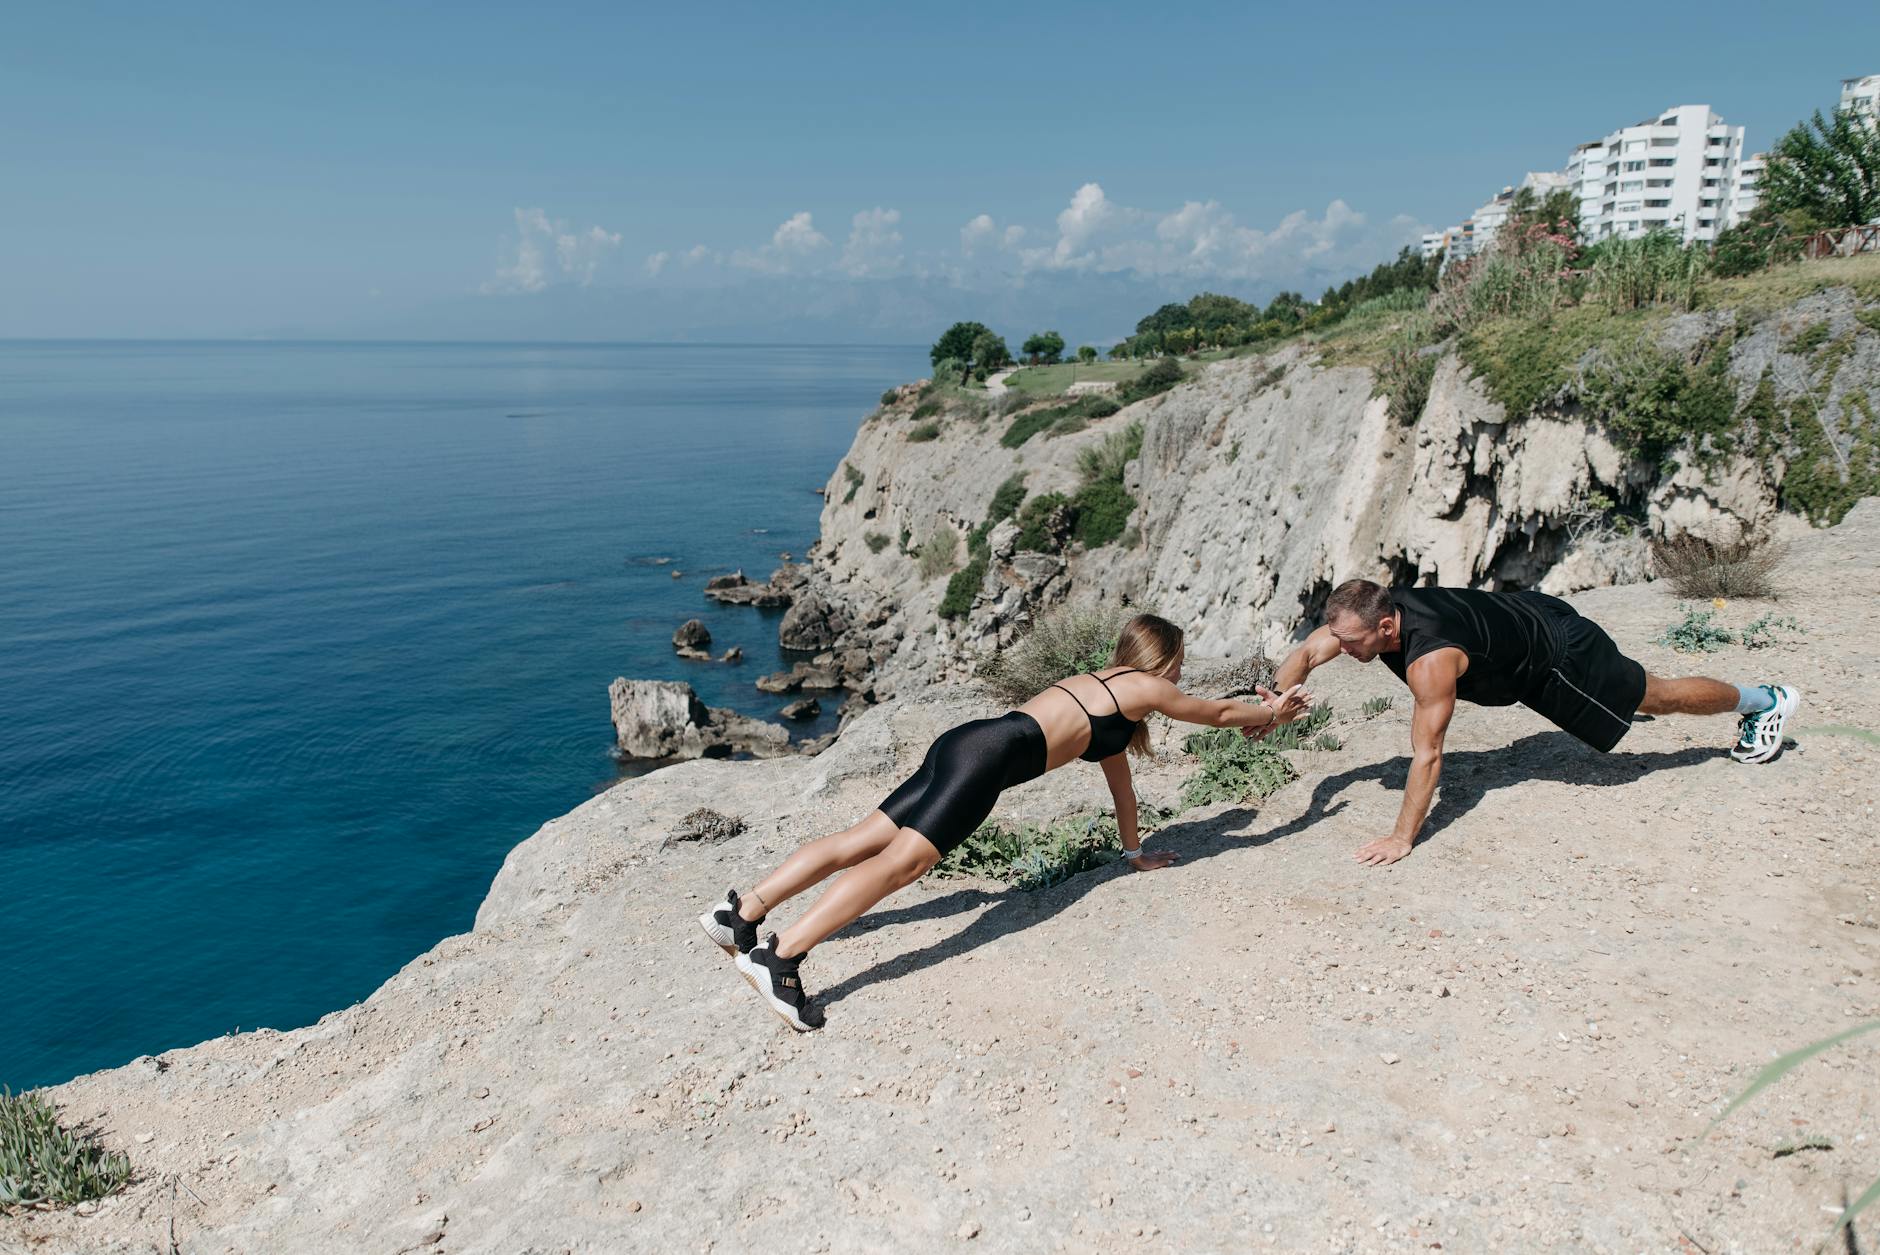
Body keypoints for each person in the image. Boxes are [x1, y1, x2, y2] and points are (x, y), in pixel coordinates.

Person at [699, 612, 1313, 1030]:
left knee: (862, 839)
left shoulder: (1104, 690)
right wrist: (1276, 711)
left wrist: (1135, 853)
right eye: (1179, 664)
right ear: (1166, 659)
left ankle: (740, 914)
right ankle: (781, 960)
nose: (1179, 676)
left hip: (967, 742)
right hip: (987, 760)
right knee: (901, 864)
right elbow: (1218, 712)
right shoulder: (1146, 690)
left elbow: (1121, 786)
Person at [1263, 580, 1800, 867]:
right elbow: (1308, 655)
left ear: (1385, 626)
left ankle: (1764, 701)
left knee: (1657, 695)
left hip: (1557, 657)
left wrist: (1402, 837)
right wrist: (1272, 707)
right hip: (1528, 611)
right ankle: (1643, 692)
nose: (1345, 648)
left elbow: (1428, 754)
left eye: (1353, 642)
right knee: (1641, 691)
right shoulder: (1373, 612)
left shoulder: (1431, 660)